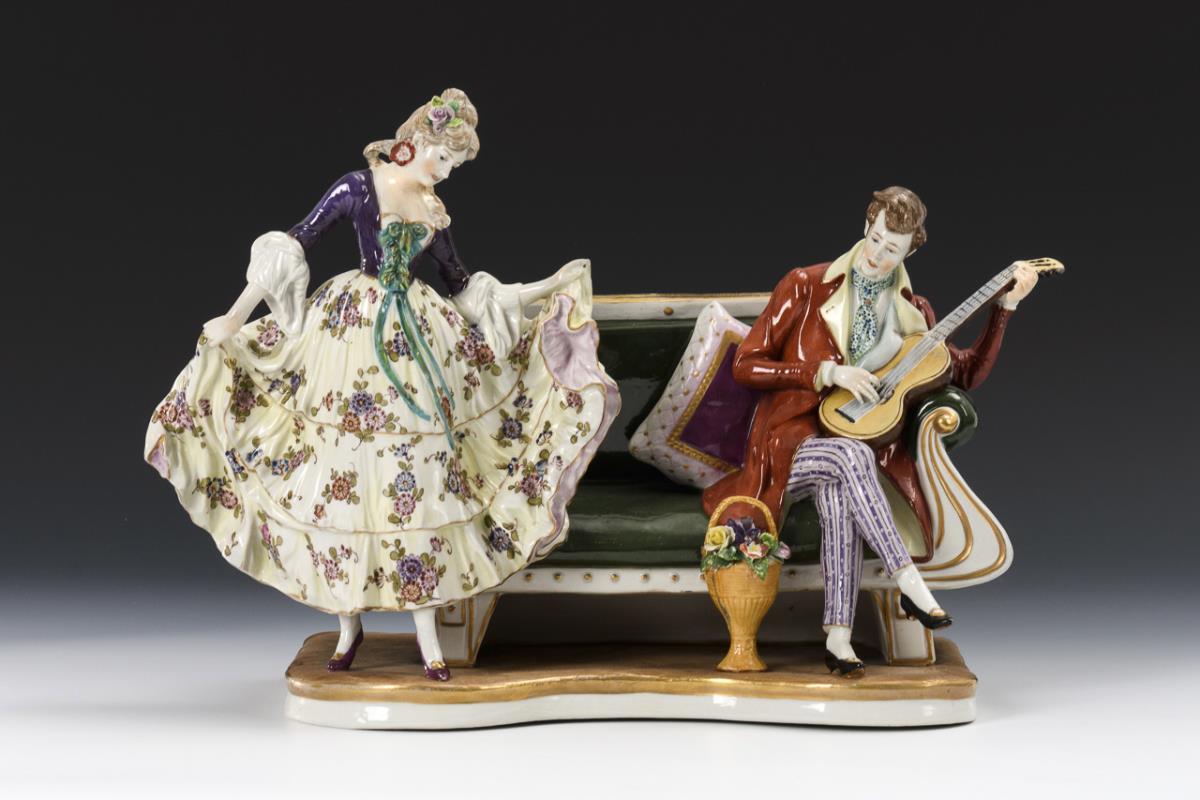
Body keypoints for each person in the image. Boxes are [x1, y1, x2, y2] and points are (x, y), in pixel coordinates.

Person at [144, 89, 619, 680]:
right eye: (444, 159)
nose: (446, 173)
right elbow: (295, 243)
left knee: (421, 477)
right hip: (350, 335)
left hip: (419, 339)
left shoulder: (434, 211)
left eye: (454, 166)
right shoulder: (358, 187)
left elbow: (462, 285)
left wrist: (539, 291)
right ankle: (348, 626)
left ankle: (427, 635)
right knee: (341, 472)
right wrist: (235, 316)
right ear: (416, 142)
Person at [701, 187, 1037, 676]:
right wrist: (825, 373)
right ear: (866, 226)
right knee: (851, 458)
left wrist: (1005, 310)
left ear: (910, 251)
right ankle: (911, 584)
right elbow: (746, 365)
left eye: (892, 249)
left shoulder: (913, 311)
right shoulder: (805, 286)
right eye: (875, 239)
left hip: (851, 450)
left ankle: (838, 637)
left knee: (841, 485)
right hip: (785, 445)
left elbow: (963, 372)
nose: (877, 255)